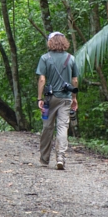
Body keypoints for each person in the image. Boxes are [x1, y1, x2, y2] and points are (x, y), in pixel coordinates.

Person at [36, 32, 79, 170]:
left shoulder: (45, 58)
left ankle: (44, 159)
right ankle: (60, 157)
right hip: (66, 98)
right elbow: (75, 80)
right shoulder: (71, 58)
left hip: (50, 98)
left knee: (47, 127)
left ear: (50, 42)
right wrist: (74, 98)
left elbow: (42, 79)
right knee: (62, 127)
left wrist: (39, 98)